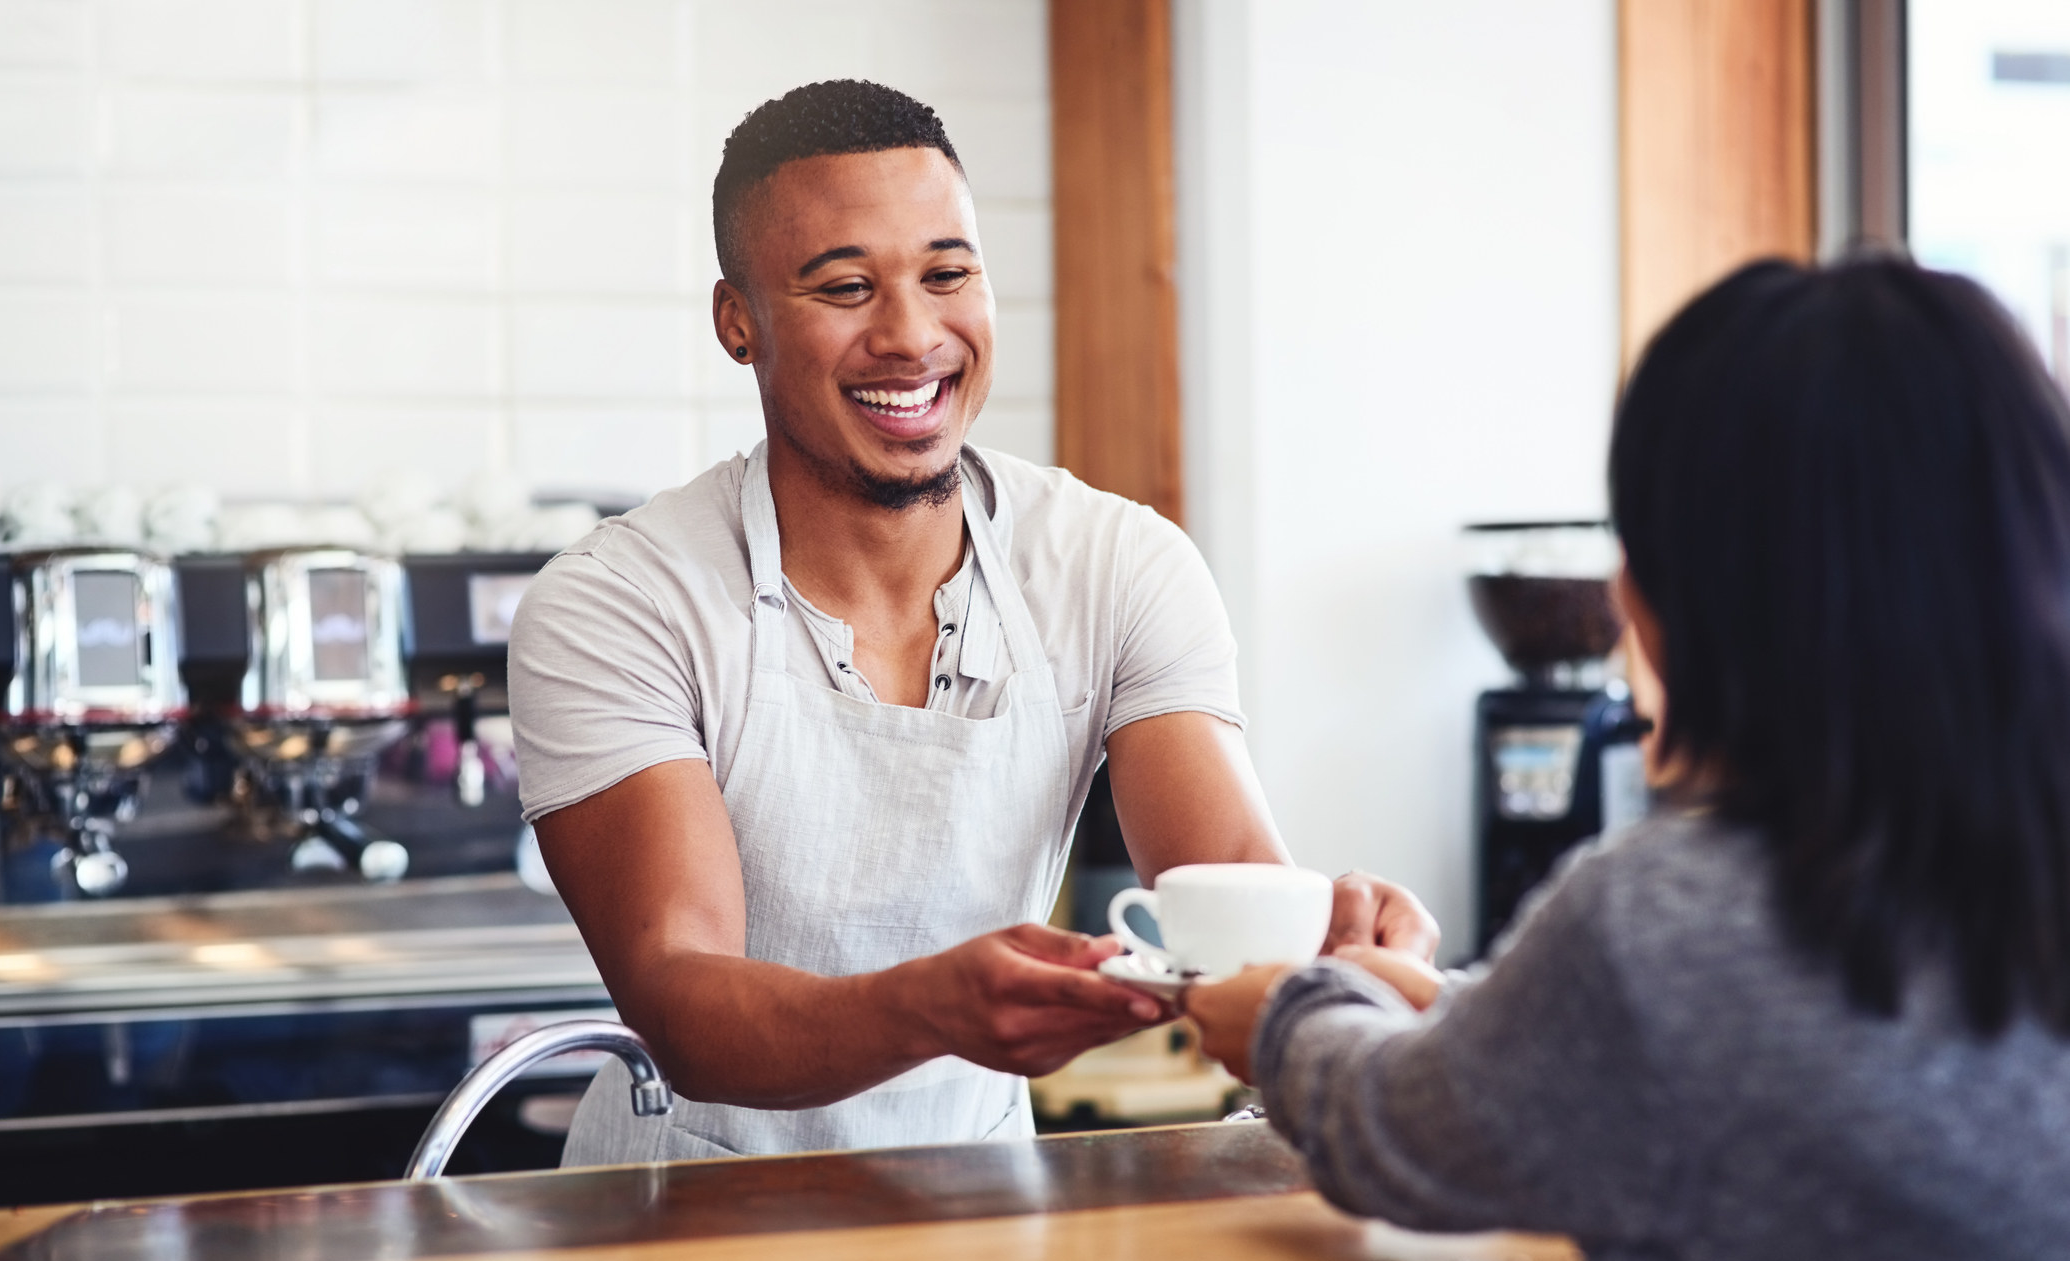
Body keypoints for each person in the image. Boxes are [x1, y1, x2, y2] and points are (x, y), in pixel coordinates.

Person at [1191, 257, 2070, 1261]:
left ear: (1682, 594)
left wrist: (1283, 1016)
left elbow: (1388, 1130)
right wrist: (1444, 1003)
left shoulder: (1670, 923)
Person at [509, 79, 1434, 1164]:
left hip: (978, 1199)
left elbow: (1222, 889)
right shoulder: (620, 600)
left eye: (947, 275)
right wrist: (929, 1009)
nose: (911, 336)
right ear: (738, 323)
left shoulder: (1115, 564)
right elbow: (683, 1001)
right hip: (682, 1218)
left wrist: (1334, 951)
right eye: (845, 287)